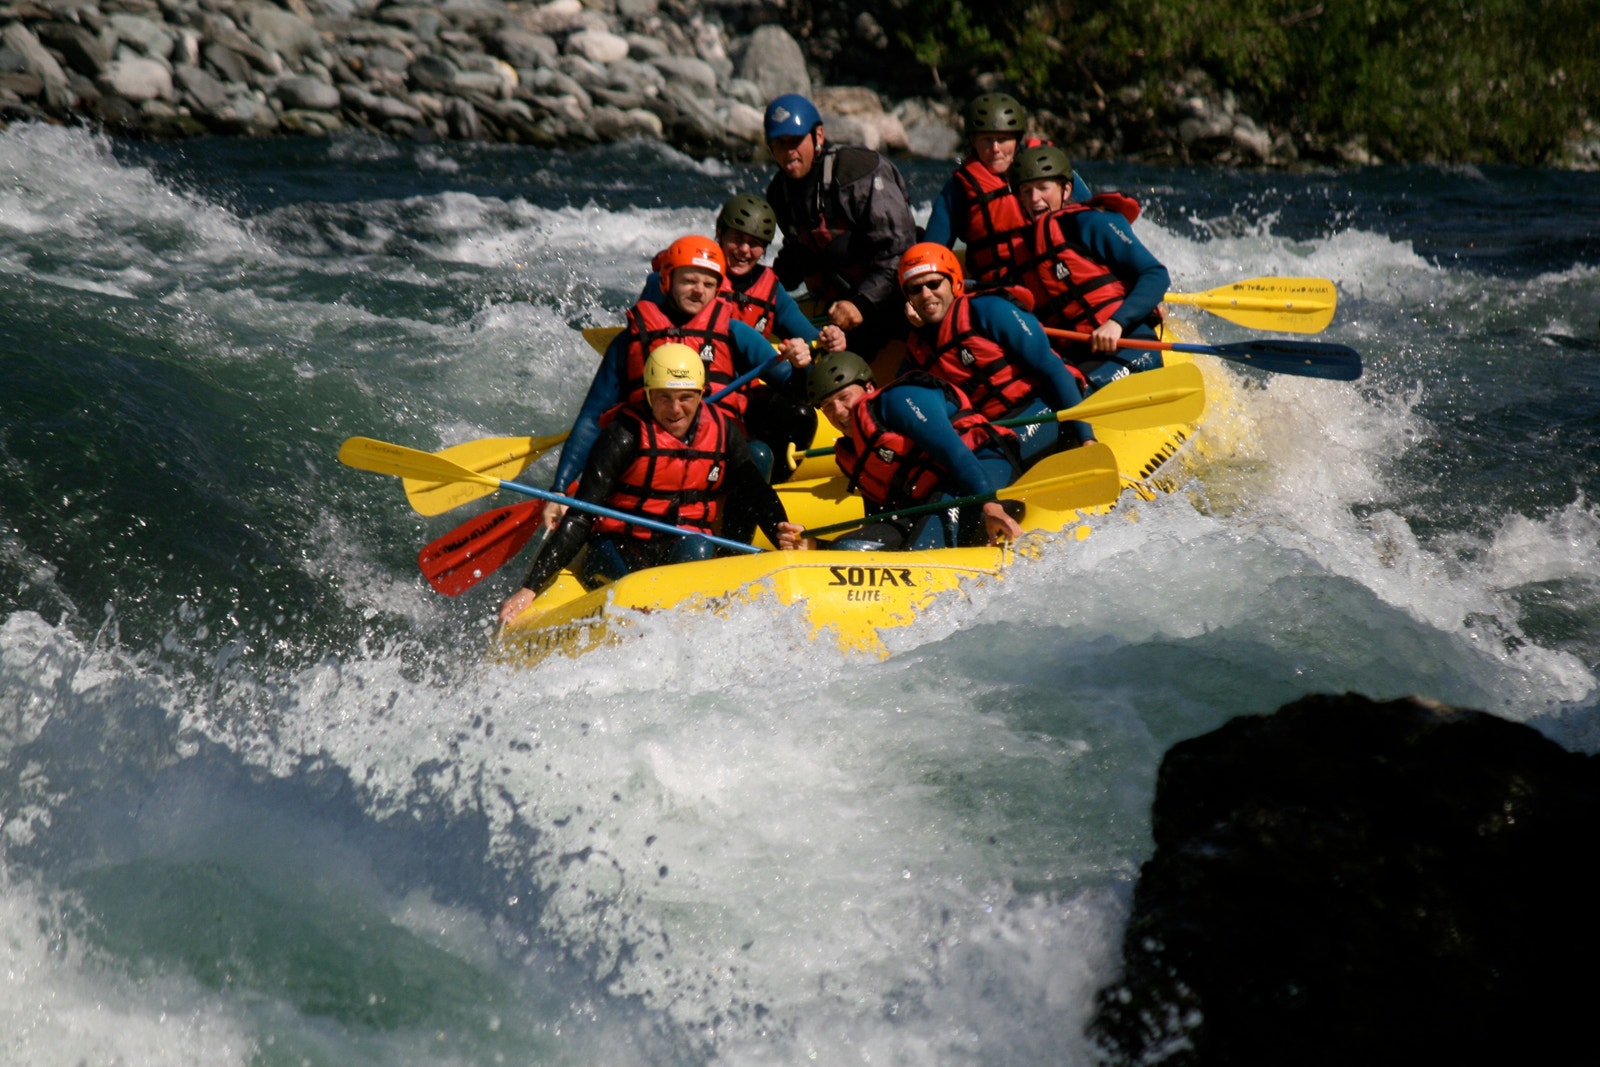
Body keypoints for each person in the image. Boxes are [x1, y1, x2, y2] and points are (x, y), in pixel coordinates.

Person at [499, 345, 788, 624]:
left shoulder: (723, 431)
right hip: (619, 545)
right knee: (638, 595)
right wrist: (530, 586)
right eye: (664, 397)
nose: (675, 409)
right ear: (648, 395)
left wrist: (782, 533)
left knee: (698, 547)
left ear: (701, 394)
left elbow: (756, 491)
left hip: (680, 544)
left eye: (686, 397)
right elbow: (581, 515)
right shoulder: (623, 436)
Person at [544, 235, 812, 527]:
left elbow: (795, 390)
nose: (699, 291)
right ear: (667, 282)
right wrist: (559, 488)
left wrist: (800, 366)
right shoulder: (632, 339)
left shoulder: (732, 332)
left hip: (710, 458)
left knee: (757, 455)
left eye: (709, 284)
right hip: (647, 459)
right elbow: (593, 417)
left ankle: (732, 552)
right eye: (689, 281)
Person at [776, 351, 1024, 552]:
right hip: (931, 498)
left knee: (922, 545)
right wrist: (818, 547)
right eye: (828, 406)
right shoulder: (850, 453)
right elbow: (879, 518)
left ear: (870, 388)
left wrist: (990, 504)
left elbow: (955, 453)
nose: (839, 411)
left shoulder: (898, 401)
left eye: (844, 397)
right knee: (850, 546)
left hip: (981, 465)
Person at [894, 242, 1096, 466]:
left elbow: (1052, 368)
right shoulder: (918, 344)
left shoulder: (988, 309)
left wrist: (1086, 437)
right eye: (915, 289)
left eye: (934, 284)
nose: (926, 294)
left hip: (1040, 409)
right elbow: (900, 402)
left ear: (953, 282)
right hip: (991, 431)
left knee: (988, 464)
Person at [762, 92, 919, 359]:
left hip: (898, 299)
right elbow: (796, 252)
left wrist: (862, 304)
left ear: (818, 136)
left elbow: (899, 252)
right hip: (843, 305)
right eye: (779, 144)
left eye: (795, 141)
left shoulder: (859, 172)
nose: (788, 151)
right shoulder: (779, 192)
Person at [1008, 144, 1171, 388]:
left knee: (1073, 399)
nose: (1034, 198)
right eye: (1026, 191)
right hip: (1081, 358)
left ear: (1066, 190)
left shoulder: (1091, 222)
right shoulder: (1023, 252)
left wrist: (1117, 323)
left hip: (1130, 343)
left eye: (1043, 188)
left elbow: (1155, 274)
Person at [922, 93, 1091, 287]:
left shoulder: (1051, 166)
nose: (995, 148)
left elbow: (1094, 220)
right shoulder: (959, 188)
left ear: (1017, 139)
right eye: (986, 140)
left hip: (1059, 277)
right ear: (973, 142)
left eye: (1002, 139)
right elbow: (932, 253)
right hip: (1001, 289)